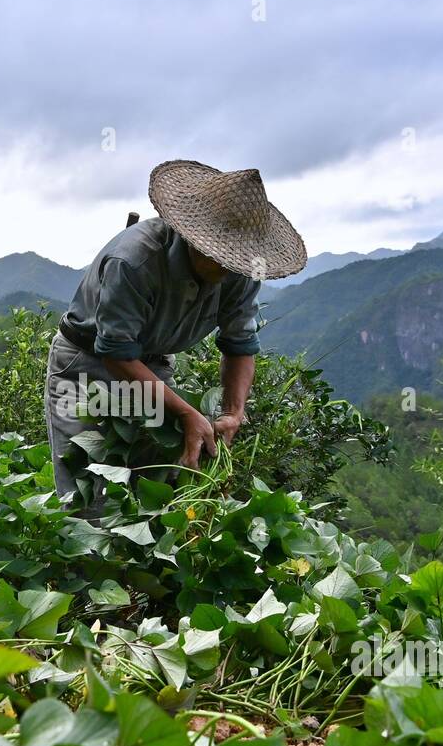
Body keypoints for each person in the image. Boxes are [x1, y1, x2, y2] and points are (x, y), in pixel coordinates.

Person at [46, 159, 307, 511]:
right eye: (221, 258)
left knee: (156, 484)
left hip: (152, 367)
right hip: (86, 366)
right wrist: (186, 413)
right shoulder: (134, 261)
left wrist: (233, 410)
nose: (231, 270)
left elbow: (239, 345)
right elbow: (117, 354)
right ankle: (81, 562)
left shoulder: (241, 272)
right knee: (86, 492)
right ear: (194, 241)